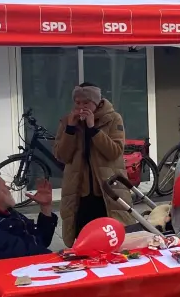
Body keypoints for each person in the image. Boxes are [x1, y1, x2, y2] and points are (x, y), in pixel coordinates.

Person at [53, 84, 134, 246]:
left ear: (97, 103)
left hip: (107, 190)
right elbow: (62, 156)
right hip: (79, 191)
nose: (81, 107)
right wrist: (70, 129)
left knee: (111, 236)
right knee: (83, 238)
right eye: (77, 103)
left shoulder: (113, 118)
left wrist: (93, 129)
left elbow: (114, 151)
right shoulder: (68, 122)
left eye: (86, 103)